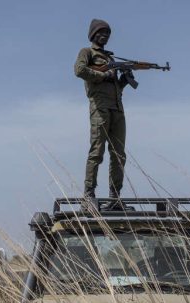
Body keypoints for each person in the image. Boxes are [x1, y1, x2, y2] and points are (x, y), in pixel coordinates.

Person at [74, 19, 135, 211]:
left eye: (107, 33)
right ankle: (89, 194)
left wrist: (123, 80)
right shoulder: (87, 53)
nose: (105, 36)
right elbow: (79, 70)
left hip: (117, 109)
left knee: (119, 155)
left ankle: (115, 198)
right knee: (97, 151)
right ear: (93, 34)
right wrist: (104, 75)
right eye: (101, 33)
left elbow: (114, 87)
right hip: (100, 108)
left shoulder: (110, 58)